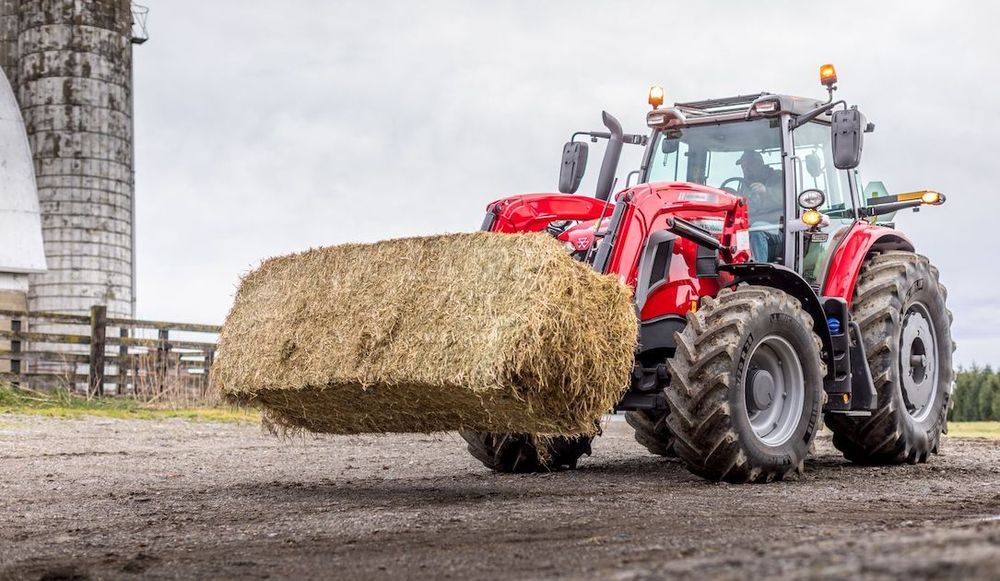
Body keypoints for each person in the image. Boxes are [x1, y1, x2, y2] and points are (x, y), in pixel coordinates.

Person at [735, 150, 783, 262]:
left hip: (777, 228)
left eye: (749, 166)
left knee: (756, 233)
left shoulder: (777, 177)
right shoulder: (744, 184)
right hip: (749, 226)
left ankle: (758, 272)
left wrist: (767, 191)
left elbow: (786, 196)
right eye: (743, 167)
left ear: (759, 164)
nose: (746, 170)